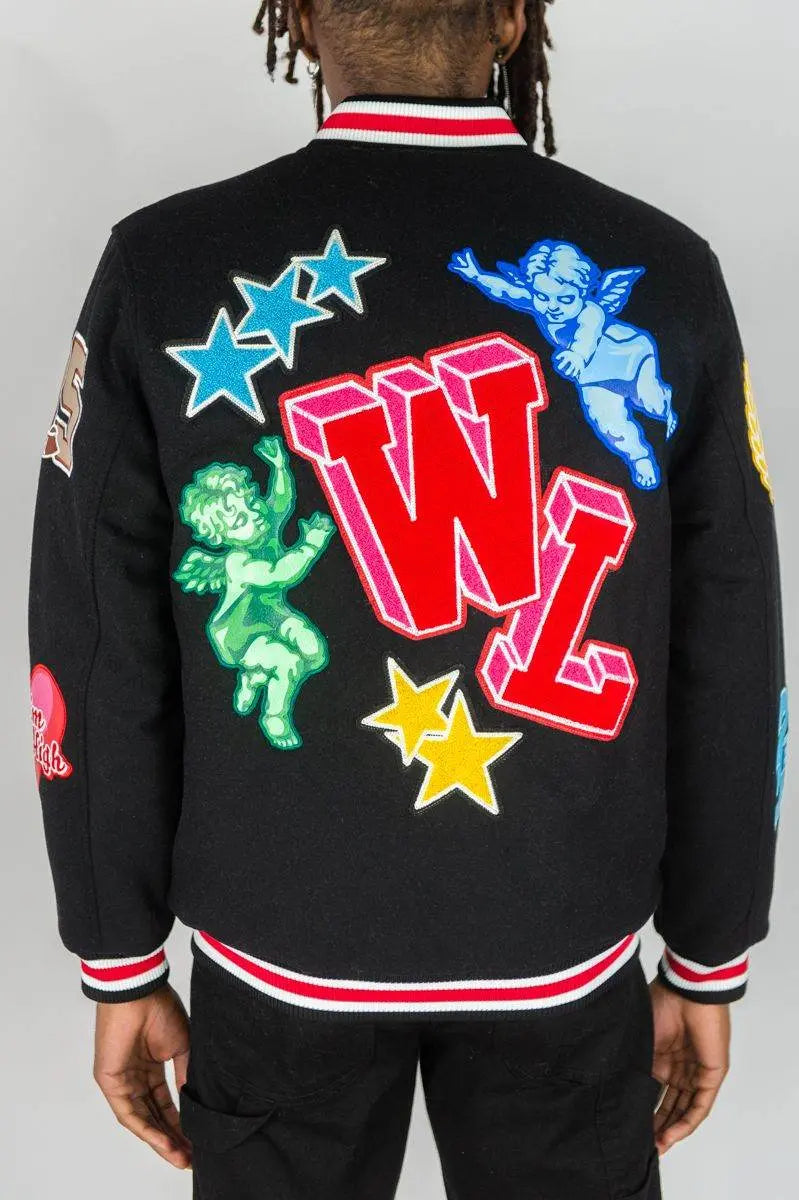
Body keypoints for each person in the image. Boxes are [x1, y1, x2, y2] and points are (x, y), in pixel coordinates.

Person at [28, 2, 786, 1198]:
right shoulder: (665, 269)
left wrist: (118, 953)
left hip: (278, 950)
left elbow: (92, 639)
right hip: (562, 940)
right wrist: (708, 947)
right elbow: (732, 643)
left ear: (299, 16)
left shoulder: (165, 264)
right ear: (511, 19)